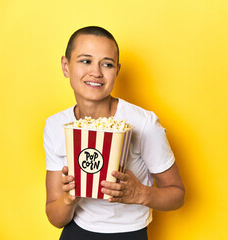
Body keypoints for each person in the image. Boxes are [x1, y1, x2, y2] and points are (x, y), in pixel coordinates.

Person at [44, 26, 185, 240]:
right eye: (85, 60)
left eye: (107, 64)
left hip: (129, 233)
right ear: (66, 66)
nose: (96, 72)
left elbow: (177, 195)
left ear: (116, 71)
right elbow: (55, 218)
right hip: (76, 232)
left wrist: (140, 193)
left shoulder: (143, 123)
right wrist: (68, 199)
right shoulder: (56, 125)